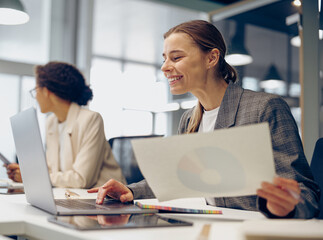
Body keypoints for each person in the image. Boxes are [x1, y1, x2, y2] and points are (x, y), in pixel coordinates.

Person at [88, 20, 320, 219]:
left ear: (212, 58)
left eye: (176, 57)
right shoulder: (190, 120)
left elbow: (307, 194)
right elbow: (174, 179)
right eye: (164, 58)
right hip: (207, 228)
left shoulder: (264, 109)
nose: (165, 67)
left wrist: (286, 207)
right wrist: (130, 190)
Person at [6, 61, 126, 188]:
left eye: (36, 90)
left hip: (107, 200)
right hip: (69, 195)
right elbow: (52, 170)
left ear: (46, 91)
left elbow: (81, 180)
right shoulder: (51, 122)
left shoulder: (91, 119)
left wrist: (33, 176)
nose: (36, 96)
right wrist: (27, 172)